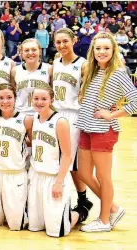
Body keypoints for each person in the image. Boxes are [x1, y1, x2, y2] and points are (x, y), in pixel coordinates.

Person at [76, 33, 137, 232]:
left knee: (103, 177)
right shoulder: (92, 71)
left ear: (113, 51)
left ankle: (104, 220)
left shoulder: (118, 73)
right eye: (98, 48)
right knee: (84, 173)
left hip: (104, 130)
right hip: (86, 127)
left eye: (106, 48)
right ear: (92, 51)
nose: (102, 52)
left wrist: (112, 114)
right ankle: (112, 207)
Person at [28, 86, 87, 237]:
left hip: (54, 177)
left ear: (52, 100)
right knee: (34, 226)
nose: (39, 102)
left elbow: (68, 155)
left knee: (58, 232)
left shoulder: (60, 121)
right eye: (36, 99)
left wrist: (59, 182)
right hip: (36, 176)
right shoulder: (32, 119)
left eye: (44, 99)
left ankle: (80, 212)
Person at [52, 28, 93, 225]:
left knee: (71, 161)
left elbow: (91, 91)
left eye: (65, 42)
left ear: (74, 40)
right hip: (56, 113)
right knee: (59, 159)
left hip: (73, 115)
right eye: (58, 42)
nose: (62, 46)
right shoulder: (55, 62)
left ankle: (81, 198)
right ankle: (78, 199)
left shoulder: (83, 65)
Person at [0, 84, 33, 230]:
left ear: (15, 98)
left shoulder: (26, 120)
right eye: (1, 98)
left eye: (9, 97)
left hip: (15, 173)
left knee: (16, 225)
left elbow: (33, 142)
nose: (5, 101)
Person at [11, 38, 52, 116]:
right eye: (26, 50)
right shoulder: (15, 70)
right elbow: (13, 94)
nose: (30, 53)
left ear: (39, 51)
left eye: (34, 50)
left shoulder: (49, 69)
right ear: (21, 53)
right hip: (20, 114)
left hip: (42, 115)